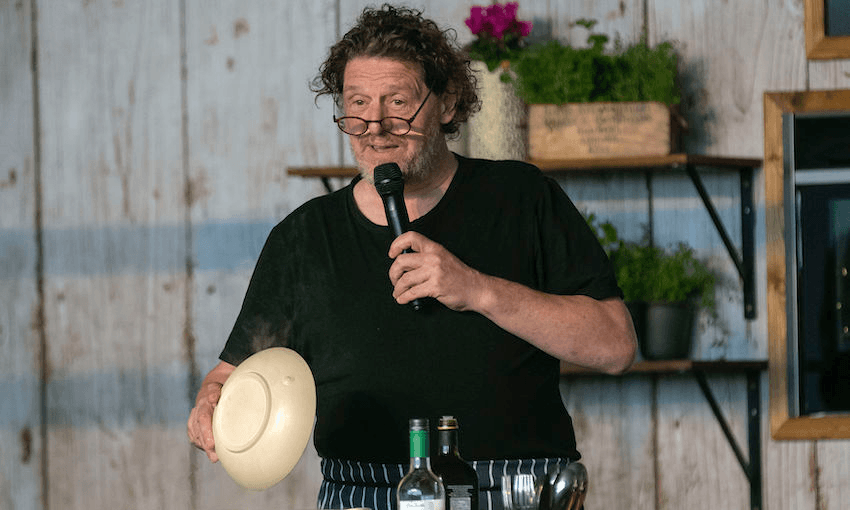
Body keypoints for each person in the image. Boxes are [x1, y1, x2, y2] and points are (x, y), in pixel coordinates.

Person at [187, 4, 636, 510]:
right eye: (356, 104)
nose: (374, 125)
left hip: (515, 490)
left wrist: (477, 289)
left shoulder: (521, 198)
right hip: (362, 494)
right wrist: (211, 403)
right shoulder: (304, 238)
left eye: (397, 102)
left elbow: (615, 345)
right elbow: (231, 374)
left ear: (446, 103)